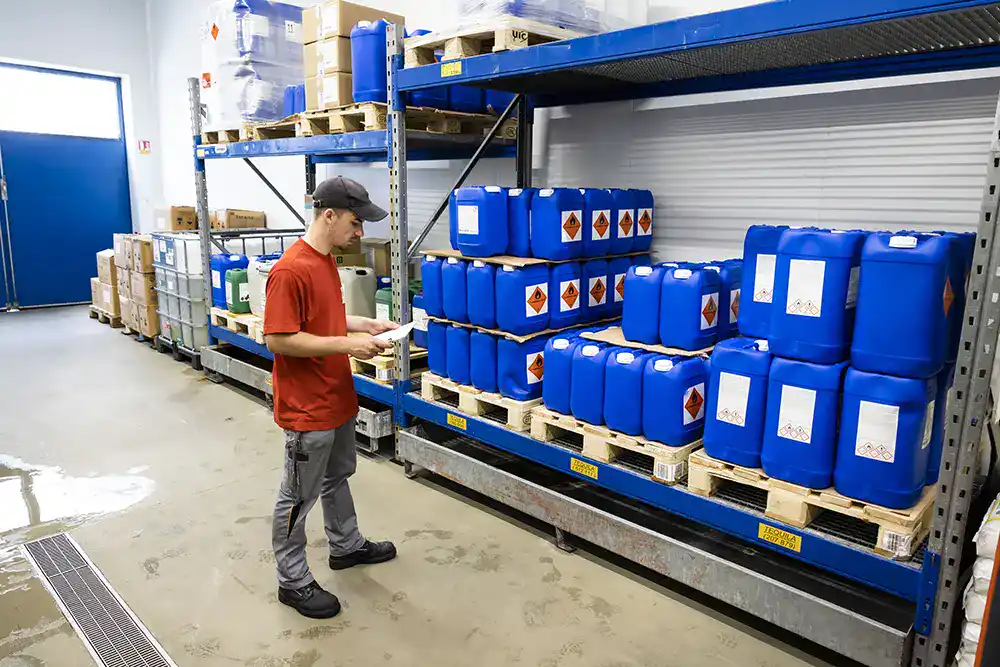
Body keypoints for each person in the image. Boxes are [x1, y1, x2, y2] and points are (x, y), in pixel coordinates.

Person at [263, 176, 398, 619]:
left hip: (336, 396)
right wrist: (346, 346)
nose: (359, 233)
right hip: (307, 408)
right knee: (297, 495)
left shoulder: (324, 261)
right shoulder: (290, 270)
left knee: (336, 477)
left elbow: (324, 321)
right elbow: (279, 339)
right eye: (356, 223)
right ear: (329, 215)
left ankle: (345, 546)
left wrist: (362, 326)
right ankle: (293, 580)